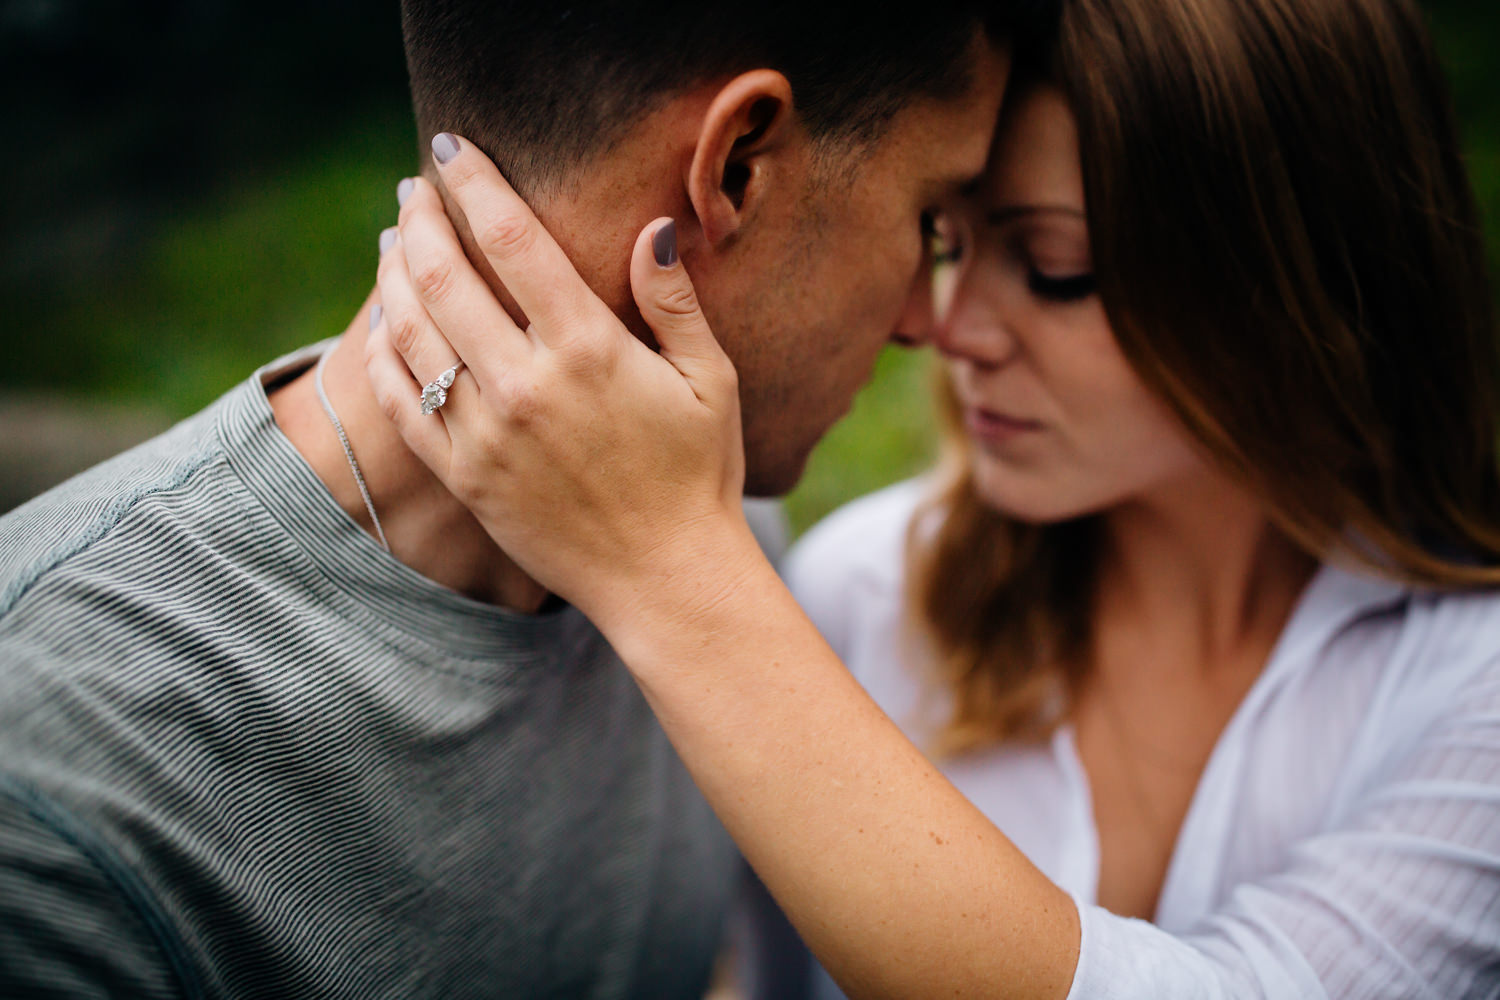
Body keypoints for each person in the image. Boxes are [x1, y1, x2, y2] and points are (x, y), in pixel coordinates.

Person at [363, 0, 1500, 996]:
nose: (950, 327)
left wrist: (665, 563)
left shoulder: (1468, 678)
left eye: (1054, 268)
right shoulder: (865, 589)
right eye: (948, 243)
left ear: (1295, 278)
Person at [0, 2, 1044, 995]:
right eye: (931, 221)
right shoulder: (55, 786)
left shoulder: (714, 539)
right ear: (735, 164)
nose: (924, 319)